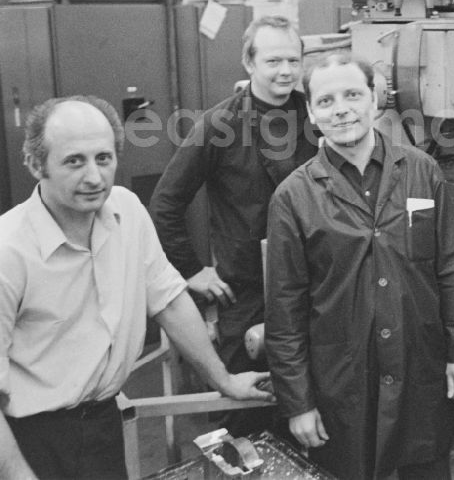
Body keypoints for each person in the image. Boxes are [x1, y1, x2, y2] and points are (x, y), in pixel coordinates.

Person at [0, 96, 272, 480]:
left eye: (104, 158)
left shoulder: (126, 211)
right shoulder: (8, 251)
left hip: (102, 426)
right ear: (34, 164)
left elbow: (169, 301)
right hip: (30, 441)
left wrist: (223, 379)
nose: (94, 177)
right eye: (74, 161)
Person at [265, 53, 454, 479]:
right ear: (310, 112)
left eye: (352, 95)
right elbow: (284, 310)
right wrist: (299, 402)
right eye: (325, 101)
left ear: (375, 99)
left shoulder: (422, 171)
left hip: (420, 367)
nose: (341, 108)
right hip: (343, 383)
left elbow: (451, 269)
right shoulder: (293, 197)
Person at [149, 15, 317, 422]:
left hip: (315, 285)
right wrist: (190, 270)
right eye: (273, 60)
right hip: (246, 293)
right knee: (246, 411)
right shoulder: (219, 125)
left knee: (316, 401)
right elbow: (165, 204)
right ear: (249, 62)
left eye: (293, 61)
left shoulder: (316, 118)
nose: (285, 71)